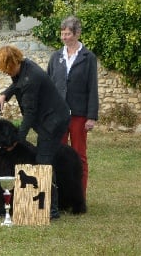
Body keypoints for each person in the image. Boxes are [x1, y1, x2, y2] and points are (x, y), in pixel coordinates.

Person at [0, 45, 70, 219]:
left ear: (13, 63)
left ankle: (52, 210)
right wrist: (5, 94)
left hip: (54, 121)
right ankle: (49, 205)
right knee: (43, 159)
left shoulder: (31, 79)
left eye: (6, 69)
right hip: (48, 117)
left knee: (43, 161)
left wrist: (17, 140)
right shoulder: (24, 66)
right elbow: (16, 84)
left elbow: (30, 114)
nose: (5, 72)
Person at [47, 15, 99, 199]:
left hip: (79, 114)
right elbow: (48, 86)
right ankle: (58, 197)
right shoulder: (55, 57)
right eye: (62, 34)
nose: (64, 37)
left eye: (68, 34)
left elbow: (92, 87)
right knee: (56, 154)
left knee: (78, 155)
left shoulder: (88, 57)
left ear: (77, 34)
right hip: (58, 115)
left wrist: (91, 116)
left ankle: (79, 196)